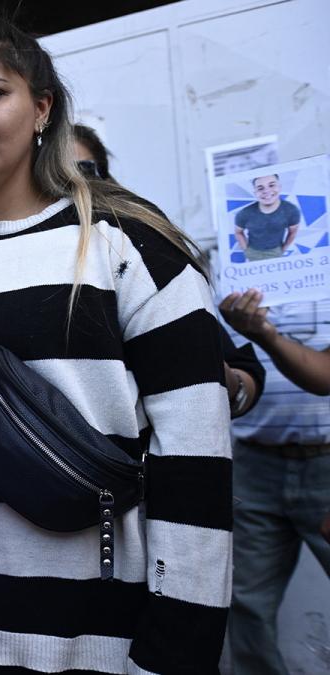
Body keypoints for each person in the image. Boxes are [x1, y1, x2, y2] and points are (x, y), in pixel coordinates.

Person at [0, 14, 232, 673]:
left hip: (101, 646)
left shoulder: (133, 250)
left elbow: (195, 468)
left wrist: (175, 649)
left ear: (42, 108)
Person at [72, 125, 265, 418]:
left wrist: (217, 381)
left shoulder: (139, 255)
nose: (65, 185)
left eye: (81, 170)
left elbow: (242, 379)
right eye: (40, 171)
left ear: (105, 180)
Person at [219, 287, 330, 674]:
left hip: (325, 460)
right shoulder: (232, 273)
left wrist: (264, 334)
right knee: (245, 602)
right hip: (254, 460)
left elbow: (325, 376)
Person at [235, 174, 302, 261]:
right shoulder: (244, 213)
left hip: (276, 252)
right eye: (260, 188)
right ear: (255, 192)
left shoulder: (291, 210)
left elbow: (293, 232)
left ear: (279, 187)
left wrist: (283, 250)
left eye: (271, 185)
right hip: (253, 252)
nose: (266, 191)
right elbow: (238, 232)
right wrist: (246, 251)